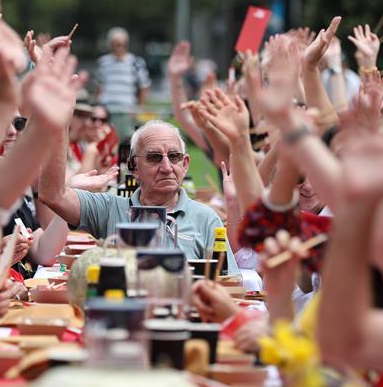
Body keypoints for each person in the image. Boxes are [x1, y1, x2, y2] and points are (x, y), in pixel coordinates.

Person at [40, 119, 239, 273]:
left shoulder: (206, 218)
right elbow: (53, 196)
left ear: (185, 164)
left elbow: (228, 282)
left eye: (174, 157)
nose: (167, 167)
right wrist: (60, 123)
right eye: (154, 158)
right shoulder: (110, 208)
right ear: (133, 168)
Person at [95, 27, 150, 141]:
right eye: (116, 44)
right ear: (110, 45)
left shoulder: (136, 62)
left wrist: (138, 109)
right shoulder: (103, 62)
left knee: (125, 144)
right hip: (107, 110)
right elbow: (99, 86)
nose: (119, 47)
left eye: (122, 44)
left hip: (127, 111)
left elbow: (144, 87)